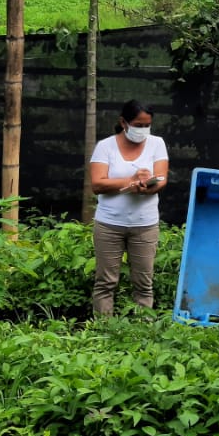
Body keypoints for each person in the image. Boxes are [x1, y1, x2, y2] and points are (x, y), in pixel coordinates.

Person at [88, 100, 169, 316]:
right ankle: (103, 327)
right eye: (138, 125)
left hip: (145, 224)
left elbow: (161, 180)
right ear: (123, 122)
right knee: (105, 282)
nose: (143, 130)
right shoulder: (105, 146)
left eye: (147, 125)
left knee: (144, 282)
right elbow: (97, 184)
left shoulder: (157, 144)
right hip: (109, 224)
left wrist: (146, 187)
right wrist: (130, 180)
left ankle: (142, 328)